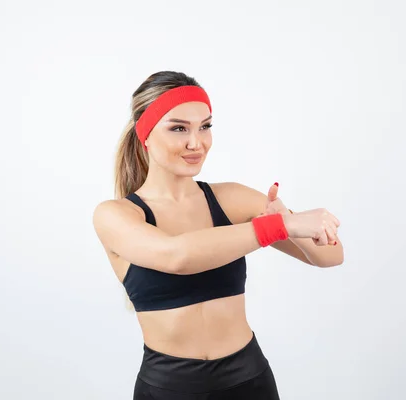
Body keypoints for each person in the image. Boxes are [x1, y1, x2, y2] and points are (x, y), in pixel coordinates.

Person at [92, 71, 344, 400]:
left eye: (205, 126)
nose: (196, 143)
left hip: (250, 381)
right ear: (146, 134)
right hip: (169, 388)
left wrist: (287, 222)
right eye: (179, 128)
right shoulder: (116, 215)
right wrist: (278, 227)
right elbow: (177, 256)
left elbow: (330, 256)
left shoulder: (232, 199)